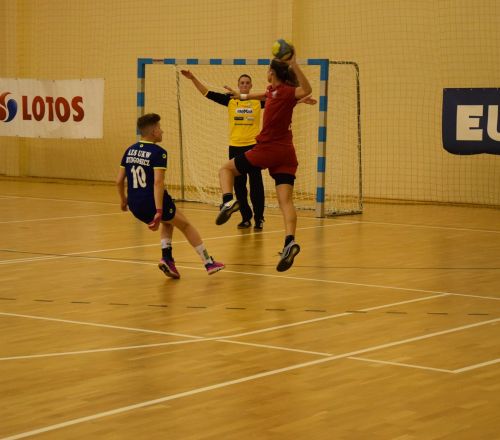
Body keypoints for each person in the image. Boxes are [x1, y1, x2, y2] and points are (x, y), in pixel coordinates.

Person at [214, 53, 313, 272]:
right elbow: (259, 96)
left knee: (225, 169)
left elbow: (307, 89)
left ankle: (228, 201)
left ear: (273, 73)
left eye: (268, 70)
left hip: (268, 149)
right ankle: (289, 242)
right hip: (287, 153)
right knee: (285, 202)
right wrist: (239, 95)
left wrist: (295, 64)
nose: (266, 73)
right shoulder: (277, 92)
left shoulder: (286, 92)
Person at [116, 113, 225, 279]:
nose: (162, 131)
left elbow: (118, 181)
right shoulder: (159, 152)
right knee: (186, 225)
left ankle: (167, 259)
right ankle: (208, 262)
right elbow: (158, 183)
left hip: (135, 204)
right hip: (152, 201)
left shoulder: (129, 150)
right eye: (159, 128)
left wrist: (123, 200)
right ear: (153, 131)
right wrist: (158, 210)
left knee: (169, 222)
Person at [180, 70, 266, 230]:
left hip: (254, 147)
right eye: (242, 83)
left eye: (247, 83)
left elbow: (280, 100)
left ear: (251, 86)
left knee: (256, 184)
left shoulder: (257, 101)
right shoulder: (231, 100)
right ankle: (246, 218)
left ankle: (259, 218)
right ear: (238, 86)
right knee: (239, 185)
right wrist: (193, 78)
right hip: (235, 147)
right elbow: (207, 93)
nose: (245, 85)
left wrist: (301, 99)